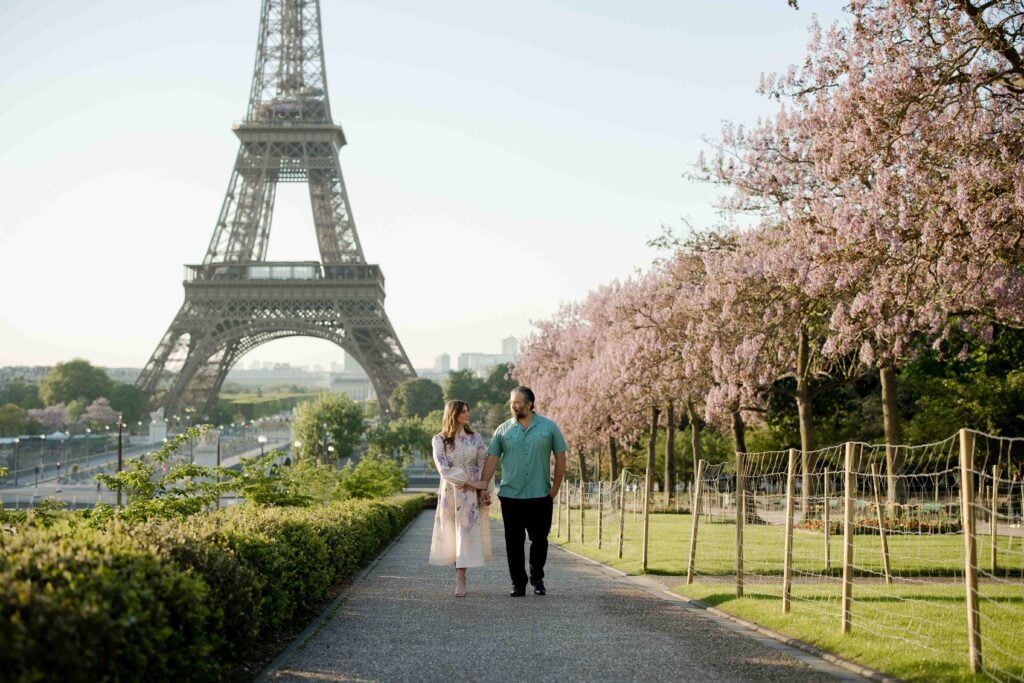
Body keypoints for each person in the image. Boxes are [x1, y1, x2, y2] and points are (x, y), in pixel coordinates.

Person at [481, 386, 566, 597]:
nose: (513, 406)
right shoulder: (502, 430)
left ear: (530, 404)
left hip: (540, 496)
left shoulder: (549, 427)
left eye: (518, 402)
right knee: (514, 543)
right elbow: (492, 459)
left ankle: (537, 577)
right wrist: (483, 486)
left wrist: (554, 488)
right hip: (511, 497)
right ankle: (518, 583)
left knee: (540, 540)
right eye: (511, 402)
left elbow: (561, 456)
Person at [428, 400, 492, 596]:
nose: (467, 415)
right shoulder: (439, 440)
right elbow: (444, 470)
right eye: (463, 412)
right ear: (453, 414)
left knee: (466, 534)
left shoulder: (476, 438)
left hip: (471, 497)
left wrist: (485, 490)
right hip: (452, 494)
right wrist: (474, 484)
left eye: (467, 411)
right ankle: (459, 577)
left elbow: (483, 465)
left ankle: (461, 576)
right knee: (454, 535)